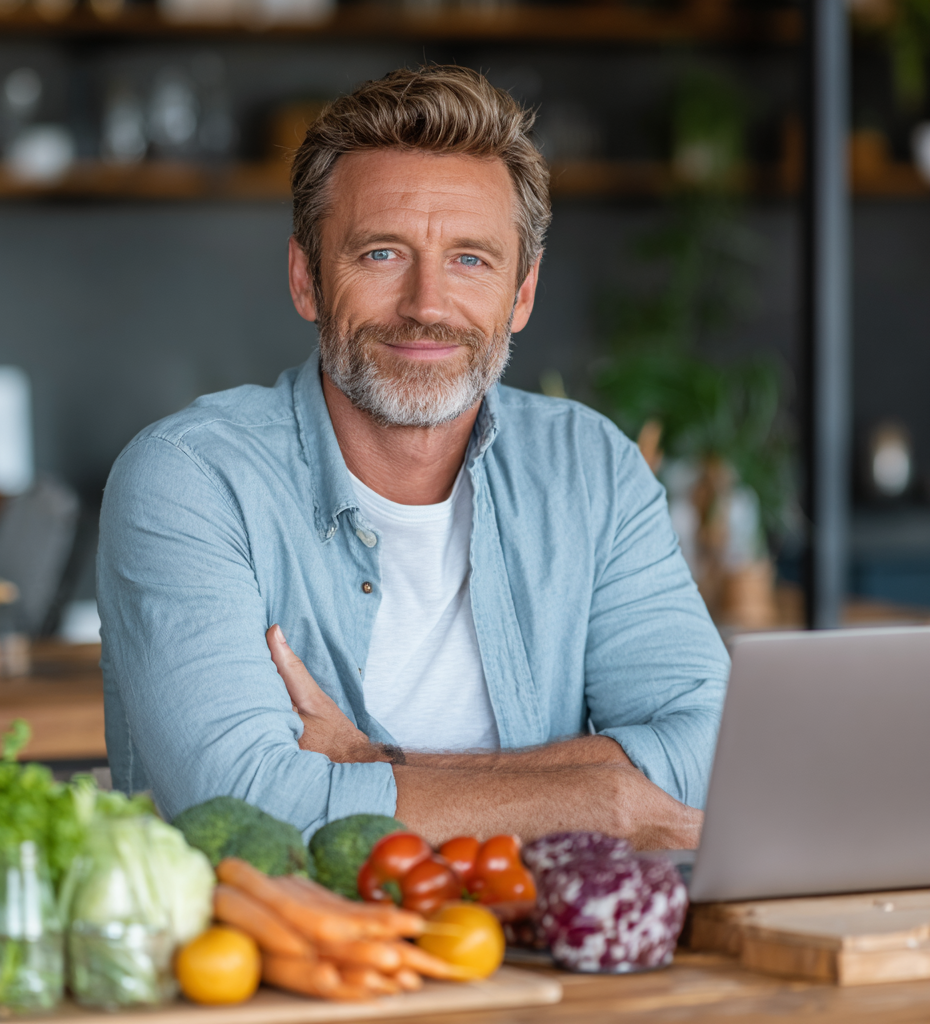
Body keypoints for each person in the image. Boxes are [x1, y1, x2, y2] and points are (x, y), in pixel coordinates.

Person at [97, 65, 729, 851]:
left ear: (521, 295)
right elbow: (250, 811)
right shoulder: (191, 479)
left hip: (550, 954)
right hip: (297, 959)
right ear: (307, 278)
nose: (428, 305)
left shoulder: (590, 468)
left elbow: (713, 756)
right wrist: (603, 799)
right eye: (382, 254)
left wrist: (376, 764)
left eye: (470, 259)